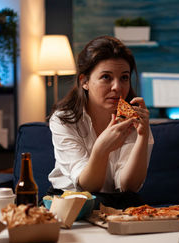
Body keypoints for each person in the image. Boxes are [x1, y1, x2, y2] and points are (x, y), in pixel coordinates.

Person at [46, 36, 154, 208]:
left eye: (124, 77)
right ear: (85, 82)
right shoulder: (63, 120)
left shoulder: (134, 119)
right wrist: (101, 149)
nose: (117, 87)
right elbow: (88, 186)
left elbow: (128, 186)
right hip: (71, 201)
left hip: (119, 201)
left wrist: (142, 137)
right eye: (106, 77)